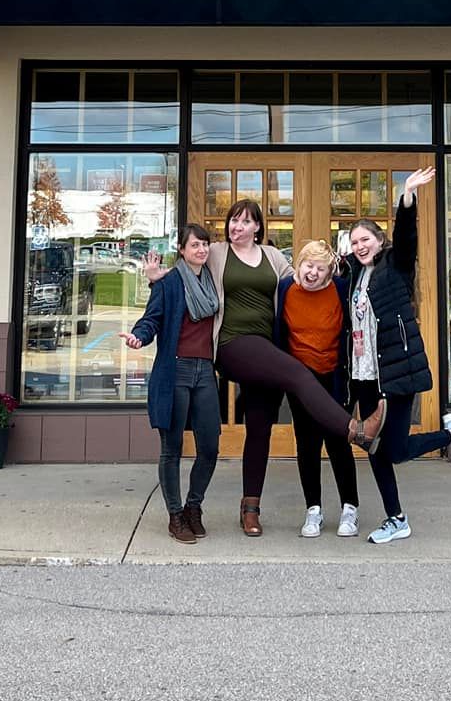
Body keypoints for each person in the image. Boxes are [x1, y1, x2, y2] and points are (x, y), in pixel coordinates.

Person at [145, 198, 373, 538]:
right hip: (233, 344)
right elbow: (185, 271)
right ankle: (354, 429)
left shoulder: (272, 256)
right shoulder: (217, 252)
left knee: (260, 427)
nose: (237, 226)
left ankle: (250, 509)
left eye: (245, 221)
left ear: (257, 227)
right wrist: (156, 280)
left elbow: (305, 278)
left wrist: (337, 269)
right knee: (298, 373)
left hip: (267, 352)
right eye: (233, 220)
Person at [335, 166, 451, 545]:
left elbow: (406, 236)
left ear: (379, 240)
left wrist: (407, 196)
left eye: (365, 239)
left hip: (396, 372)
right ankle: (396, 518)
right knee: (374, 448)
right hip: (364, 375)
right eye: (354, 242)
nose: (360, 246)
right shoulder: (352, 275)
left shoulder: (395, 265)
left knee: (397, 449)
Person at [122, 222, 221, 545]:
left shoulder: (213, 280)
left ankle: (194, 507)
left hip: (205, 371)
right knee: (172, 448)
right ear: (181, 249)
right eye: (194, 245)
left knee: (210, 446)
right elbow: (152, 319)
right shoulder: (169, 282)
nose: (201, 250)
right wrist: (138, 337)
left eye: (205, 244)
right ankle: (175, 515)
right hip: (175, 370)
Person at [276, 239, 359, 539]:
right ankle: (313, 510)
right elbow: (279, 332)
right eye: (308, 265)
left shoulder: (341, 288)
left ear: (329, 272)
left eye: (320, 268)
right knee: (307, 443)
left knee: (338, 441)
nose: (312, 273)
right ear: (299, 264)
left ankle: (350, 508)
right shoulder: (286, 288)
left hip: (334, 375)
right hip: (300, 377)